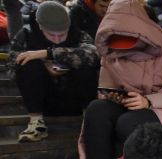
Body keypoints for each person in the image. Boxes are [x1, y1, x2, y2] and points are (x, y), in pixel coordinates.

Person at [81, 0, 162, 159]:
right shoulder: (109, 52)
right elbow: (105, 91)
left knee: (129, 123)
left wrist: (148, 101)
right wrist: (114, 97)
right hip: (128, 106)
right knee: (96, 109)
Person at [9, 0, 99, 143]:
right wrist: (42, 65)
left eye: (61, 35)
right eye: (51, 35)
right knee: (27, 62)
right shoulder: (25, 35)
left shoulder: (79, 34)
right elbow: (13, 66)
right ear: (40, 26)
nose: (57, 39)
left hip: (75, 97)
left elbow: (93, 55)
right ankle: (36, 123)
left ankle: (89, 120)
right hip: (43, 98)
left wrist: (48, 54)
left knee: (85, 65)